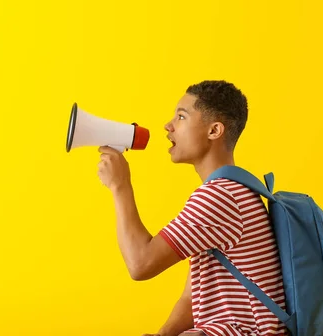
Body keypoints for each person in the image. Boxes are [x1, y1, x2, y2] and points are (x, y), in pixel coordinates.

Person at [97, 80, 287, 336]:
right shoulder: (233, 188)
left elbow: (140, 264)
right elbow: (191, 299)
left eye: (181, 116)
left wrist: (120, 186)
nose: (168, 125)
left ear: (214, 130)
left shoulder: (220, 197)